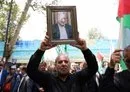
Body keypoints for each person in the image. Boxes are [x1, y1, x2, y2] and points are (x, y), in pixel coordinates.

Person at [27, 35, 98, 92]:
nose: (63, 64)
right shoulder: (48, 79)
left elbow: (93, 68)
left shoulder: (78, 78)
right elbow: (31, 70)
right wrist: (41, 50)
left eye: (66, 61)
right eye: (60, 62)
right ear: (55, 65)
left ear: (70, 65)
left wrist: (85, 49)